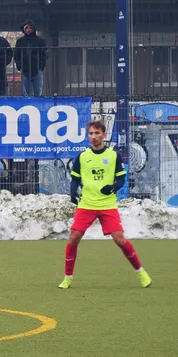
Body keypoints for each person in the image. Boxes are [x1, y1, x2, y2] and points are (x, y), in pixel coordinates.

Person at [59, 120, 152, 290]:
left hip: (107, 205)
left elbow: (121, 178)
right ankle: (68, 278)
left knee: (120, 240)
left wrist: (113, 187)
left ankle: (141, 272)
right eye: (91, 134)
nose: (93, 137)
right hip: (87, 204)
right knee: (73, 239)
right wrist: (73, 194)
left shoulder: (113, 155)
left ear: (104, 135)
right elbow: (75, 179)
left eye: (97, 133)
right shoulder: (82, 156)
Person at [14, 20, 47, 97]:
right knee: (26, 93)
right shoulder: (20, 41)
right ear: (24, 29)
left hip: (37, 68)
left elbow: (44, 54)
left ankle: (37, 106)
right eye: (27, 28)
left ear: (33, 29)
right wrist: (19, 66)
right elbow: (16, 54)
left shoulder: (40, 41)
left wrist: (42, 66)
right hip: (25, 69)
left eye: (30, 28)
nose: (29, 30)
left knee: (38, 92)